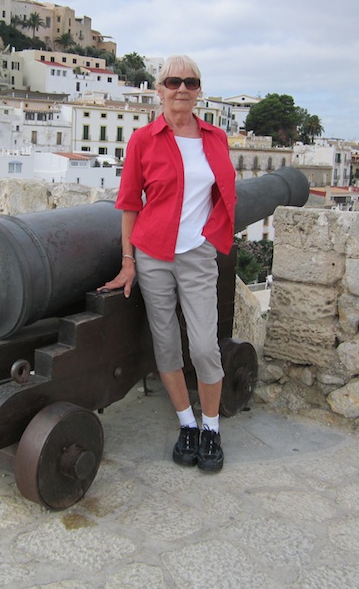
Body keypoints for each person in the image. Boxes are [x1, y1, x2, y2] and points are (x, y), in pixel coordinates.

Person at [100, 54, 237, 472]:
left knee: (204, 346)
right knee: (166, 343)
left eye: (190, 82)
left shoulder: (215, 138)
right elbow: (128, 205)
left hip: (197, 255)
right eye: (173, 81)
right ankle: (186, 424)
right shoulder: (144, 140)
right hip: (153, 256)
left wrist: (214, 232)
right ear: (159, 90)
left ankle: (210, 428)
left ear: (198, 92)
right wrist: (128, 262)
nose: (182, 89)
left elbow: (222, 193)